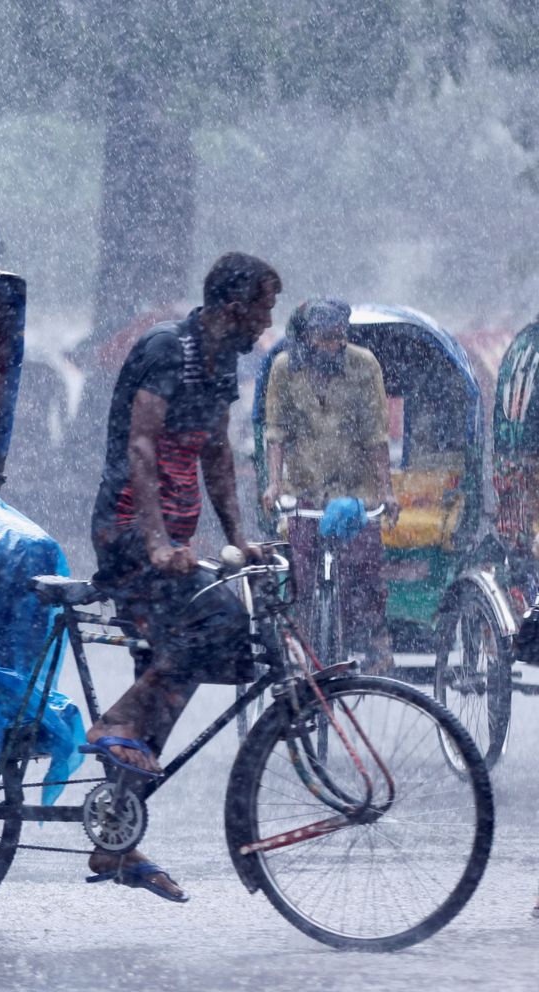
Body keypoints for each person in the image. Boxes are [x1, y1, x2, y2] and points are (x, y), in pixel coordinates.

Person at [84, 252, 281, 902]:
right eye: (263, 307)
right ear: (233, 307)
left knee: (172, 674)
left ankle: (115, 838)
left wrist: (238, 538)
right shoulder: (169, 350)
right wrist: (154, 539)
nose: (267, 321)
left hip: (172, 541)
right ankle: (113, 722)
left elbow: (217, 451)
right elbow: (141, 446)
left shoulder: (222, 361)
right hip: (127, 533)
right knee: (220, 620)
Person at [261, 298, 397, 670]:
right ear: (306, 338)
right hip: (306, 488)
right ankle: (307, 649)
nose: (332, 345)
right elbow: (276, 432)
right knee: (303, 580)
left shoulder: (363, 365)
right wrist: (274, 484)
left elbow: (376, 435)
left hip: (356, 490)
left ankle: (376, 641)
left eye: (338, 336)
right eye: (324, 338)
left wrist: (386, 490)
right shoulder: (284, 369)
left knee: (366, 573)